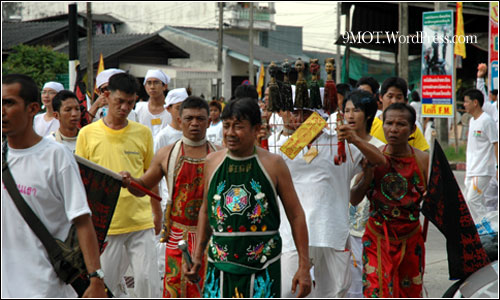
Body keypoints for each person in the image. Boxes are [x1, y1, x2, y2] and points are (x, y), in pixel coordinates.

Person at [185, 98, 312, 298]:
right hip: (219, 266)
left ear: (256, 129)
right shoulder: (212, 162)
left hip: (263, 266)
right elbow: (205, 210)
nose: (230, 133)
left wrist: (304, 267)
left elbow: (296, 215)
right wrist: (197, 256)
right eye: (226, 126)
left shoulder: (274, 164)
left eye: (238, 126)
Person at [2, 74, 107, 298]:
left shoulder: (56, 157)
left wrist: (96, 277)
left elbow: (82, 220)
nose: (2, 110)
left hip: (46, 288)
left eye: (9, 103)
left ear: (32, 109)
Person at [270, 101, 385, 298]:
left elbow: (381, 161)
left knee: (333, 293)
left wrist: (355, 139)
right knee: (289, 291)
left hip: (331, 233)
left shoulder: (341, 142)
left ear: (319, 115)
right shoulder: (283, 146)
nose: (298, 119)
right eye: (295, 113)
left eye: (305, 113)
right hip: (292, 234)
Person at [121, 96, 220, 297]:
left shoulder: (221, 155)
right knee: (175, 290)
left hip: (213, 236)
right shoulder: (166, 154)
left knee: (210, 291)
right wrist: (129, 182)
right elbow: (142, 187)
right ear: (179, 120)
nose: (194, 123)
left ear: (209, 122)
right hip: (177, 236)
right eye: (189, 118)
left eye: (200, 119)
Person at [75, 72, 162, 298]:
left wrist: (157, 213)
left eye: (130, 103)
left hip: (140, 222)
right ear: (106, 96)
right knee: (103, 285)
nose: (124, 108)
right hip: (105, 226)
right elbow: (81, 180)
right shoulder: (87, 134)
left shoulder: (142, 133)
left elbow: (150, 176)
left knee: (147, 282)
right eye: (119, 101)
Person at [350, 103, 429, 298]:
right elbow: (354, 198)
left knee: (409, 293)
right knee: (377, 293)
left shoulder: (423, 160)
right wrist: (368, 174)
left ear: (412, 130)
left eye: (401, 124)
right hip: (377, 239)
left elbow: (435, 199)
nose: (393, 129)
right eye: (389, 123)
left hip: (410, 240)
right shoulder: (373, 156)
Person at [341, 90, 385, 298]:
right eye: (346, 110)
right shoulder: (338, 144)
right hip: (343, 226)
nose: (349, 115)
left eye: (355, 110)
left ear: (368, 115)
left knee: (364, 285)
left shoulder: (378, 148)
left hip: (368, 227)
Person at [462, 89, 498, 226]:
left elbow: (496, 144)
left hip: (483, 170)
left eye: (466, 102)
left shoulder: (487, 121)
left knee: (473, 200)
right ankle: (480, 230)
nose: (464, 104)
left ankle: (487, 229)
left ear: (475, 102)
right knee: (470, 201)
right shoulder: (472, 121)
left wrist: (497, 167)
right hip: (471, 169)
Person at [370, 77, 429, 152]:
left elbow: (423, 155)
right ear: (381, 97)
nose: (394, 101)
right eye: (390, 96)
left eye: (399, 97)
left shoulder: (411, 128)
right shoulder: (370, 126)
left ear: (405, 100)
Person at [135, 69, 172, 138]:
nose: (152, 87)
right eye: (149, 83)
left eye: (156, 83)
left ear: (165, 86)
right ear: (145, 86)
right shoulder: (139, 108)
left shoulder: (171, 110)